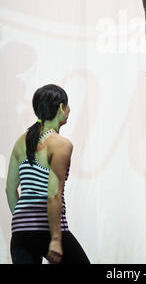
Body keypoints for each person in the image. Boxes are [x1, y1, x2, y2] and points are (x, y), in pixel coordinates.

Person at [5, 84, 90, 264]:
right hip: (48, 230)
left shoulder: (21, 141)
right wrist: (56, 240)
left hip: (20, 233)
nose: (69, 109)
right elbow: (53, 195)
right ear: (61, 107)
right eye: (67, 105)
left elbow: (10, 189)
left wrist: (24, 222)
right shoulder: (61, 144)